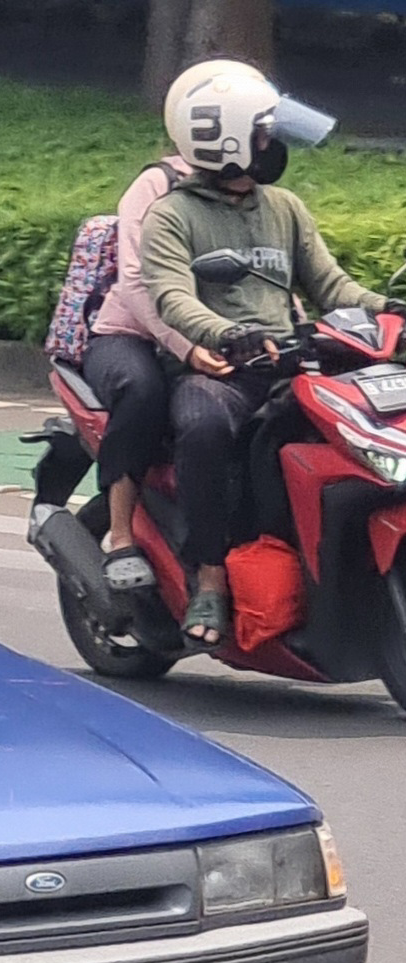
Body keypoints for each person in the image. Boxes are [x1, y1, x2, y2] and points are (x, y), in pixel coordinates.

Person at [143, 59, 405, 645]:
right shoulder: (173, 215)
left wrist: (390, 310)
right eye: (264, 131)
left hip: (294, 359)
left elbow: (334, 288)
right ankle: (211, 574)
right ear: (228, 140)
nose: (275, 141)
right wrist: (225, 334)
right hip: (226, 370)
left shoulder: (284, 207)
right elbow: (172, 299)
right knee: (204, 425)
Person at [81, 147, 199, 591]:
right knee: (142, 390)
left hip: (215, 338)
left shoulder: (255, 193)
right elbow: (135, 282)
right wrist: (188, 345)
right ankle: (122, 534)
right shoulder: (156, 185)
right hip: (131, 335)